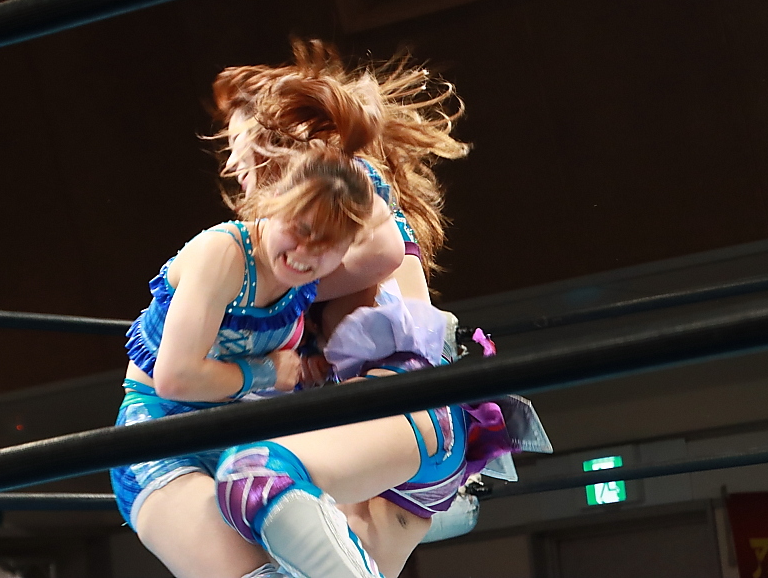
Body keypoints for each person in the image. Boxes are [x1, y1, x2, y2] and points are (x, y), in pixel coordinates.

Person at [211, 41, 551, 578]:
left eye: (237, 143)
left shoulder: (341, 179)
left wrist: (262, 297)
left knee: (253, 475)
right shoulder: (304, 230)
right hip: (377, 441)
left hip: (403, 405)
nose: (232, 163)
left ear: (282, 135)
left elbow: (382, 251)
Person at [109, 139, 382, 578]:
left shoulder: (310, 274)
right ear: (274, 203)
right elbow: (174, 378)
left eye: (328, 243)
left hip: (242, 437)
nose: (305, 252)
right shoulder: (222, 254)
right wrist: (267, 371)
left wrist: (364, 176)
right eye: (299, 229)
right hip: (159, 434)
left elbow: (387, 252)